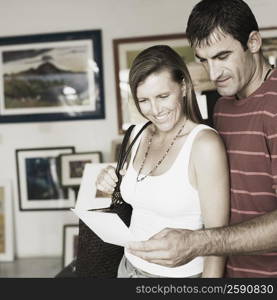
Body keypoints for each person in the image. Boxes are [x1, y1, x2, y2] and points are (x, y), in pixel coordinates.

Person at [126, 0, 277, 278]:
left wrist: (198, 242)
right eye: (203, 60)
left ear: (253, 41)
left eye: (222, 56)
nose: (213, 73)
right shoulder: (223, 106)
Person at [96, 45, 230, 278]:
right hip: (127, 268)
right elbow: (132, 201)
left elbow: (216, 242)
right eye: (144, 100)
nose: (155, 110)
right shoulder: (136, 134)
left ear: (184, 87)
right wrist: (105, 181)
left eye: (163, 96)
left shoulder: (204, 145)